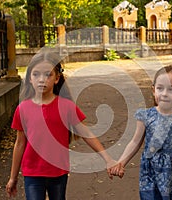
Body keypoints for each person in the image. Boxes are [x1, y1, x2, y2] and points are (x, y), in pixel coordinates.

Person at [6, 50, 119, 200]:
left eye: (48, 74)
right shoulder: (23, 109)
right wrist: (13, 177)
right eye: (36, 74)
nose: (41, 79)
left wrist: (108, 159)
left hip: (58, 172)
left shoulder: (66, 107)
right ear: (30, 79)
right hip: (32, 172)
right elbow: (20, 144)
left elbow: (87, 134)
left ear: (57, 78)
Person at [110, 65, 172, 200]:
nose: (164, 93)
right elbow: (135, 142)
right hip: (151, 173)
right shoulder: (146, 116)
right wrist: (121, 162)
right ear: (153, 90)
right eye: (160, 88)